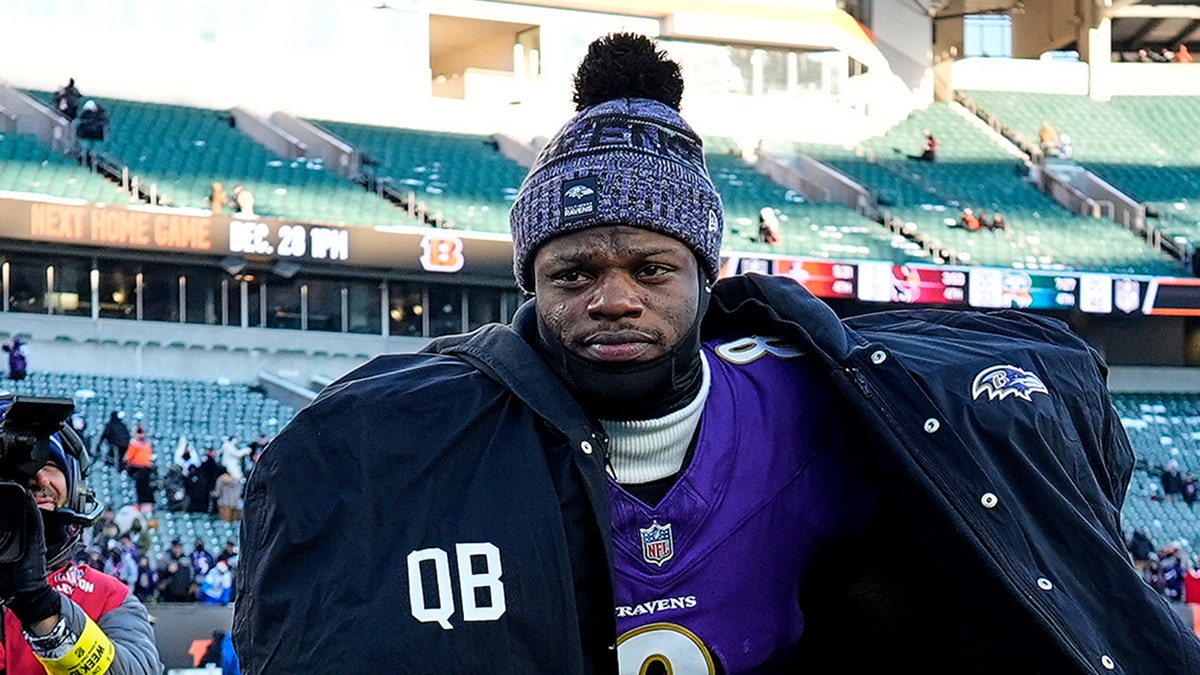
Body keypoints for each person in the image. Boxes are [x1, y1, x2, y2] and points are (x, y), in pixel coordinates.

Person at [235, 33, 1200, 673]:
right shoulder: (416, 439)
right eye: (573, 273)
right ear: (531, 283)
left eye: (651, 266)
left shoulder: (817, 407)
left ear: (707, 274)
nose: (613, 296)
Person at [0, 422, 162, 674]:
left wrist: (42, 609)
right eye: (17, 469)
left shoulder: (108, 596)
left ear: (75, 487)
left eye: (50, 465)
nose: (38, 477)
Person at [123, 426, 156, 514]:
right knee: (141, 487)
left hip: (144, 469)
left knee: (145, 487)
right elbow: (129, 458)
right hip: (137, 468)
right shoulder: (135, 444)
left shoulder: (146, 444)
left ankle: (146, 505)